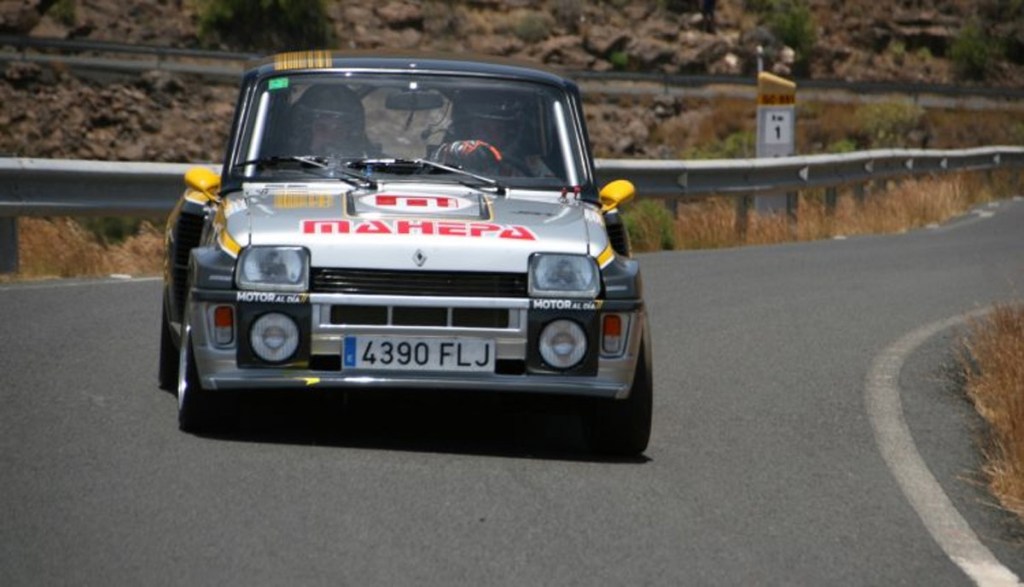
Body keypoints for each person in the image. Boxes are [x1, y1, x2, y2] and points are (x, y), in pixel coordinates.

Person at [436, 89, 553, 177]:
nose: (491, 134)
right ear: (471, 129)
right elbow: (434, 161)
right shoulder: (458, 153)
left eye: (498, 129)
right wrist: (461, 150)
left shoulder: (530, 163)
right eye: (484, 127)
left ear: (507, 132)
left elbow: (552, 186)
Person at [289, 84, 377, 157]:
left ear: (349, 134)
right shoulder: (285, 165)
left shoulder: (367, 167)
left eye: (338, 129)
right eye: (321, 128)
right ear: (307, 134)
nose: (329, 137)